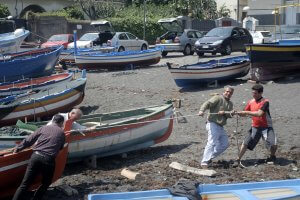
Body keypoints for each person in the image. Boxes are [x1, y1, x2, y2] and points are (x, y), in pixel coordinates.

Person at [12, 114, 66, 200]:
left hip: (35, 156)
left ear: (52, 120)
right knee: (46, 183)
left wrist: (18, 148)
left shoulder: (43, 128)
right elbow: (60, 148)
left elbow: (29, 139)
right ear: (61, 123)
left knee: (25, 184)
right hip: (48, 159)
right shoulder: (61, 133)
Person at [234, 84, 277, 167]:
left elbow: (259, 113)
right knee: (245, 143)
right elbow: (243, 113)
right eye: (253, 93)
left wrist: (245, 112)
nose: (253, 95)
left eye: (255, 93)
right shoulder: (251, 102)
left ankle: (272, 156)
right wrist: (237, 113)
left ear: (261, 93)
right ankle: (238, 159)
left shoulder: (265, 102)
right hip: (255, 127)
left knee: (273, 144)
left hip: (266, 127)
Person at [198, 85, 236, 168]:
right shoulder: (218, 98)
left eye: (230, 92)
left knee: (224, 144)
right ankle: (204, 162)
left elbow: (228, 115)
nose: (228, 93)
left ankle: (209, 157)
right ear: (224, 91)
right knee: (211, 142)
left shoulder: (230, 103)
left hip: (221, 126)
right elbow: (207, 103)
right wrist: (201, 110)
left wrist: (231, 113)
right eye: (227, 91)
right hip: (212, 123)